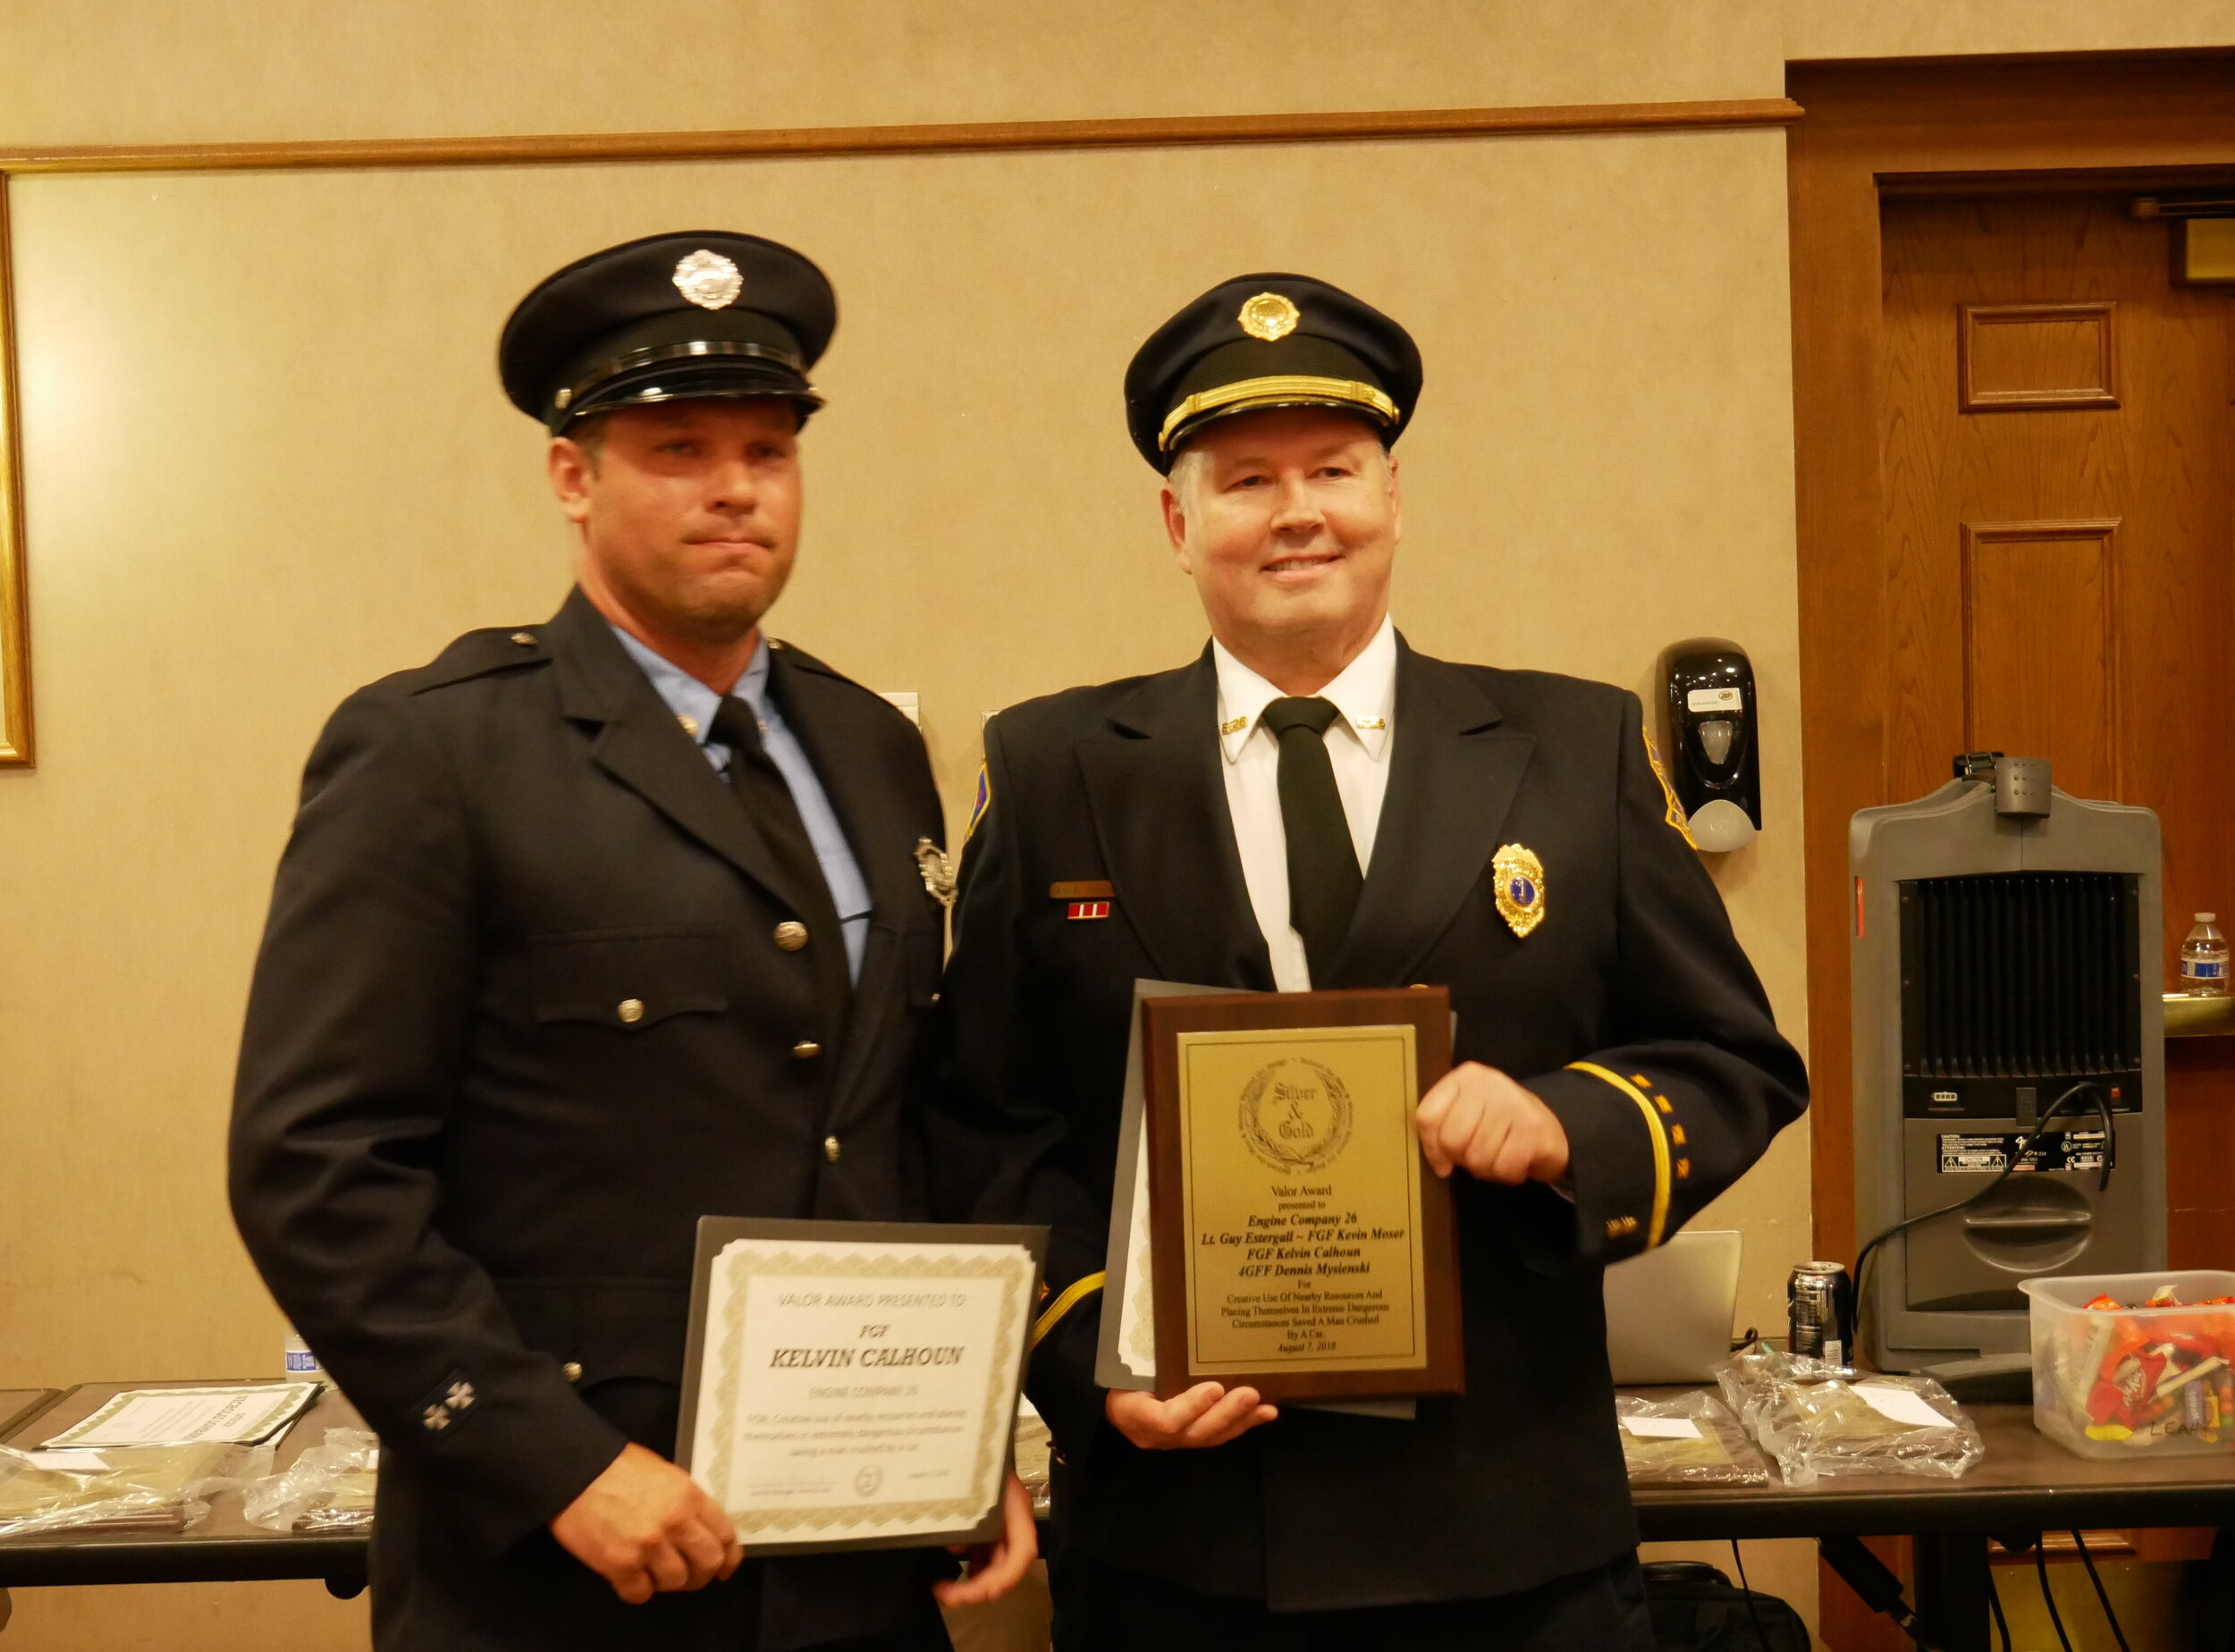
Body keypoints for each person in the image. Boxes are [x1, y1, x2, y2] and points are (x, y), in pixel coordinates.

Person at [938, 273, 1809, 1650]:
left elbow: (1734, 1059)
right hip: (1182, 1542)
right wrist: (1091, 1353)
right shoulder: (1050, 771)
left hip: (1506, 1540)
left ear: (1392, 494)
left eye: (1333, 469)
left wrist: (1566, 1118)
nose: (1297, 512)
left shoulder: (1569, 753)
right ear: (1178, 522)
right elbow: (983, 1117)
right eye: (1244, 480)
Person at [229, 231, 1033, 1652]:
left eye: (768, 450)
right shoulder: (437, 750)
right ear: (571, 473)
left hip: (854, 1564)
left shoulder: (871, 745)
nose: (735, 488)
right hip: (565, 1571)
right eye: (676, 448)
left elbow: (905, 1125)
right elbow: (316, 1171)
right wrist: (556, 1462)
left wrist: (964, 1440)